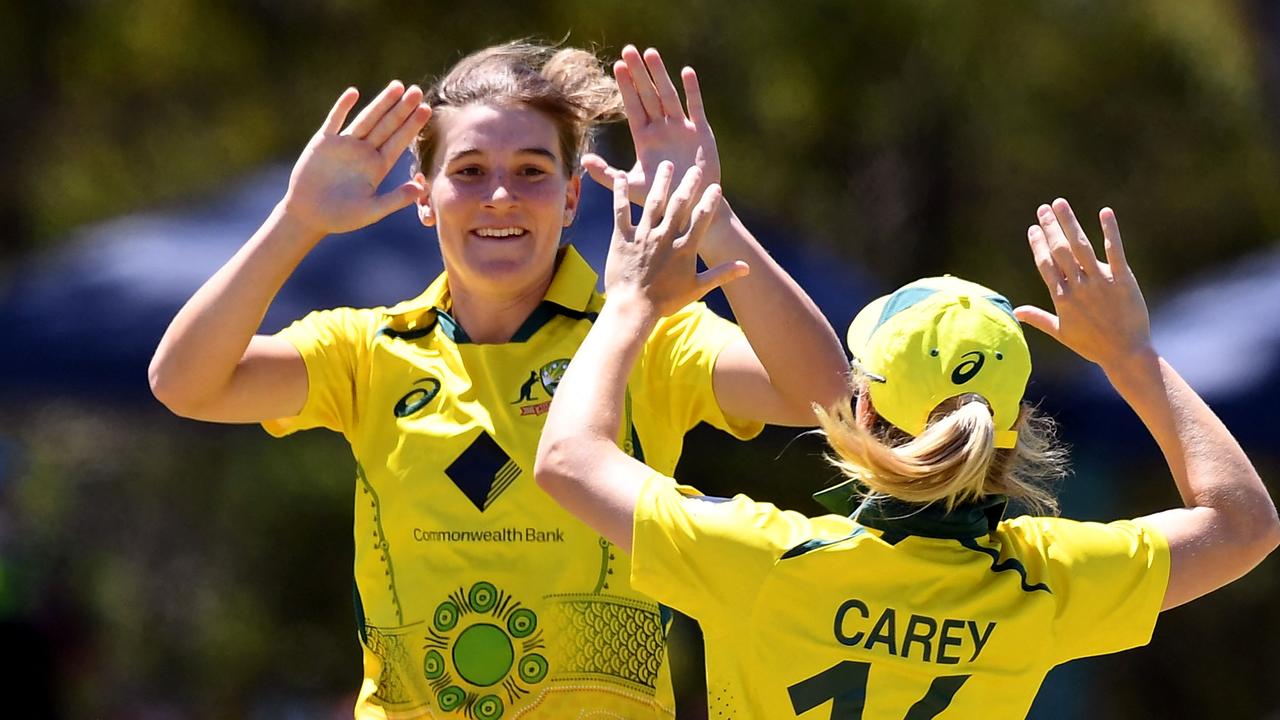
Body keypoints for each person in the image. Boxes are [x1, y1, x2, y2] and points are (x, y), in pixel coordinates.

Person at [148, 41, 849, 720]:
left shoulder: (643, 334)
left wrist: (710, 215)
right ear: (424, 198)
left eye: (533, 171)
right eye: (471, 170)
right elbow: (185, 382)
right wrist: (295, 222)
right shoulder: (369, 349)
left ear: (574, 197)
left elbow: (827, 396)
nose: (502, 196)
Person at [534, 180, 1280, 718]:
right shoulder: (1047, 583)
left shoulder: (756, 558)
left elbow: (566, 457)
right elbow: (1245, 525)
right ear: (1013, 424)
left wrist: (632, 303)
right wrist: (1133, 358)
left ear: (860, 406)